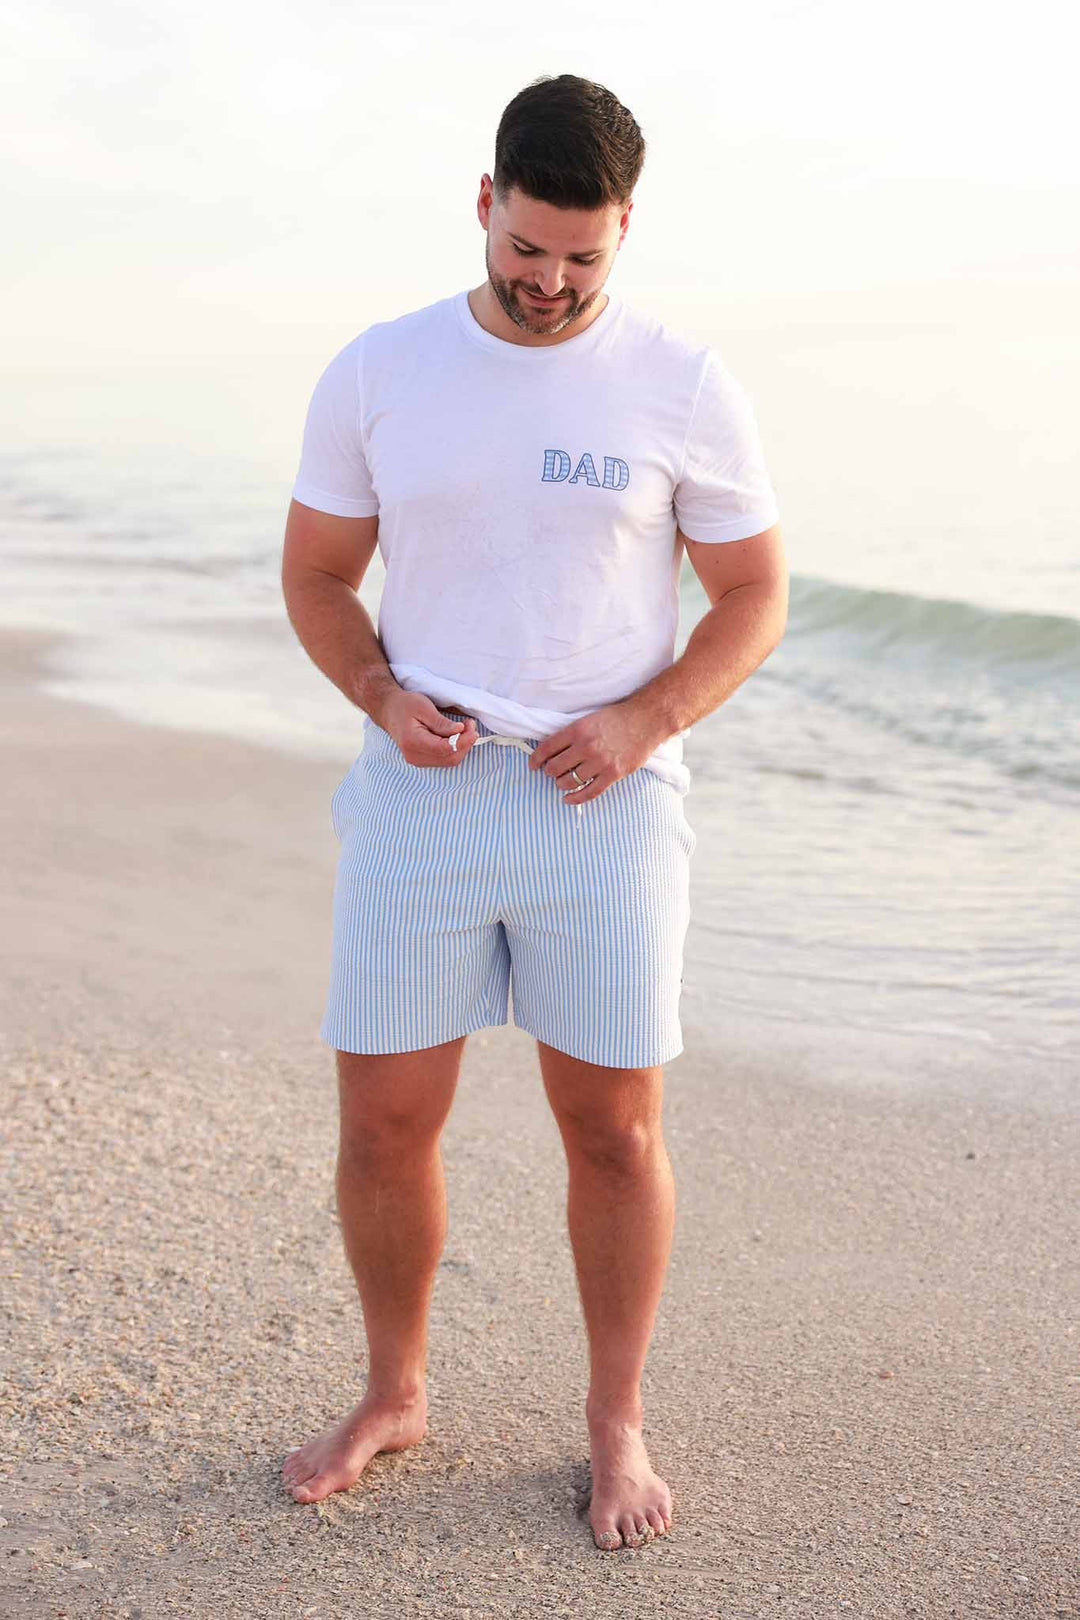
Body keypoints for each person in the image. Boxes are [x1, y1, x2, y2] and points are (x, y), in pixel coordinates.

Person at [279, 72, 788, 1553]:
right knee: (383, 1121)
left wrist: (645, 721)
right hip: (422, 793)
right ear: (485, 201)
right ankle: (394, 1391)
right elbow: (317, 576)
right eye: (531, 246)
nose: (554, 281)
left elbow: (753, 598)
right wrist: (381, 696)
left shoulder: (683, 383)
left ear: (622, 230)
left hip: (607, 807)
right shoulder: (382, 369)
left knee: (613, 1129)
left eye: (586, 255)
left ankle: (614, 1420)